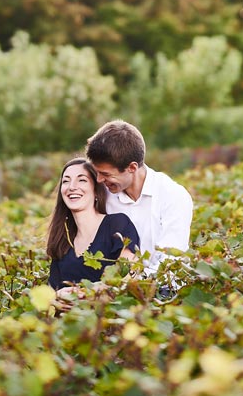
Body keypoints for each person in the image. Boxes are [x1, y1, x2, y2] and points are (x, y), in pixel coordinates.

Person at [85, 120, 193, 274]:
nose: (99, 180)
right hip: (112, 289)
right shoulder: (103, 195)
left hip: (164, 291)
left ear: (132, 167)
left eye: (106, 174)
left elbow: (170, 260)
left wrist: (133, 283)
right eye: (97, 172)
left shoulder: (173, 196)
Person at [46, 156, 140, 291]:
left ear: (96, 190)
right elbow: (51, 292)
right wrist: (57, 298)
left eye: (82, 180)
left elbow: (128, 278)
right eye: (66, 181)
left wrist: (79, 294)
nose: (72, 187)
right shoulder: (63, 241)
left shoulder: (117, 225)